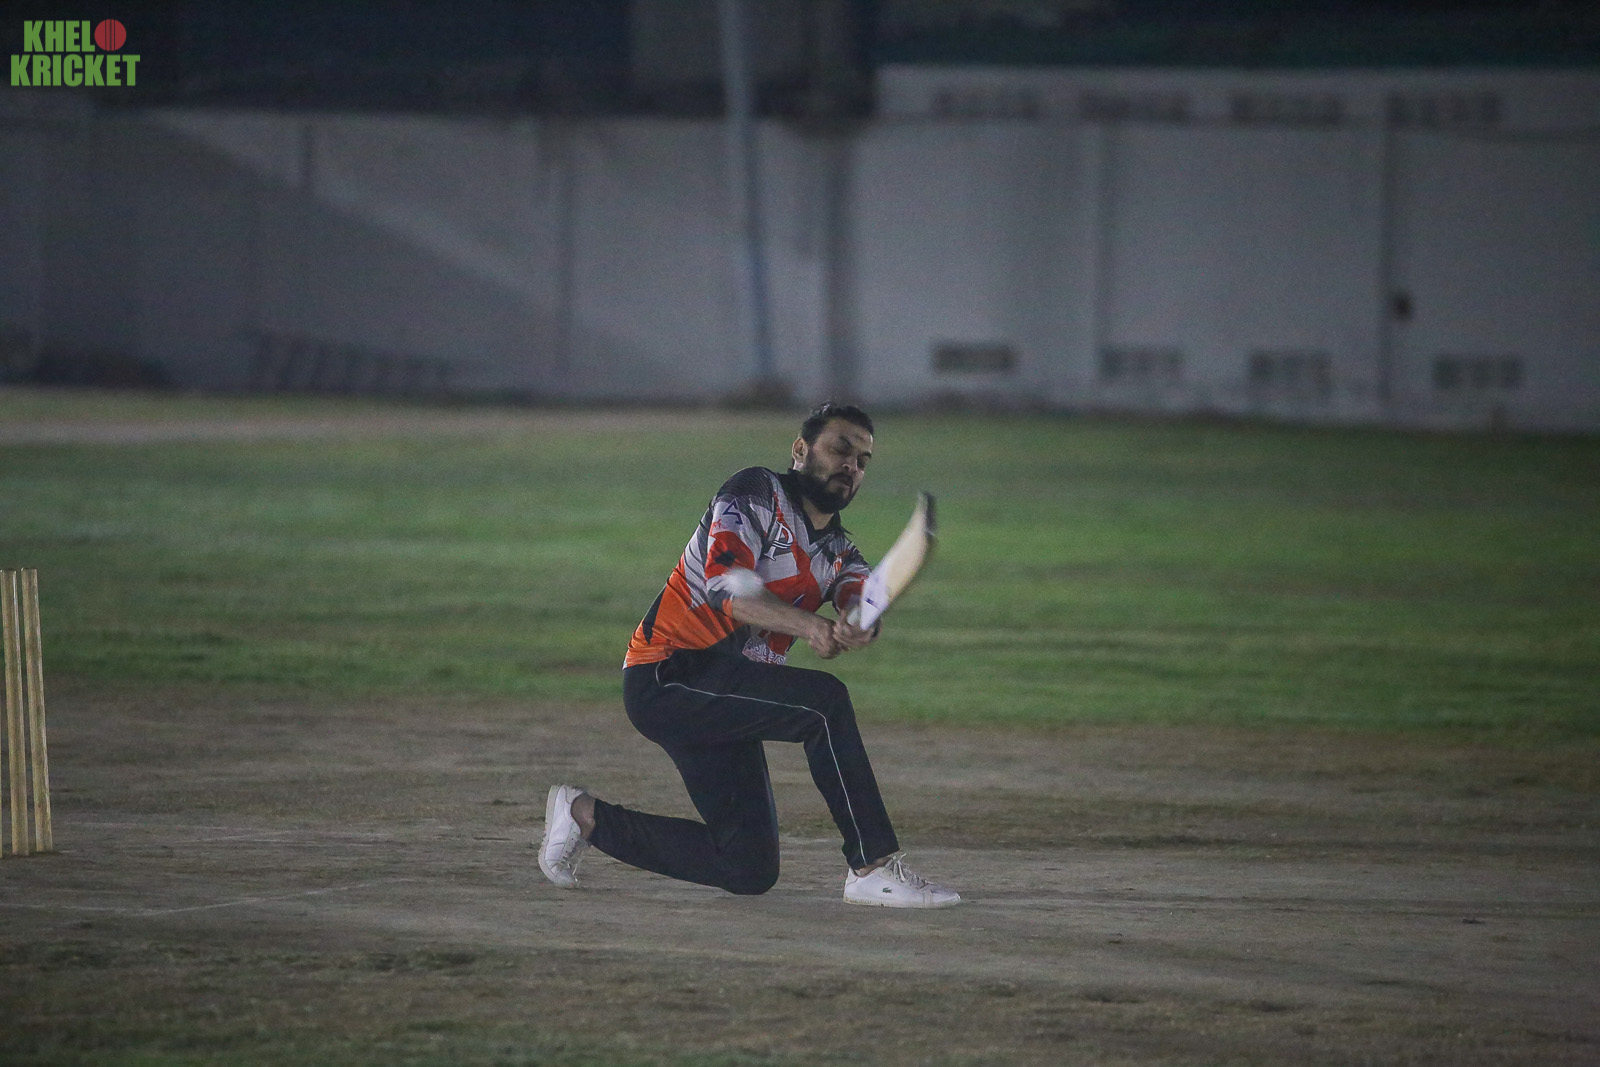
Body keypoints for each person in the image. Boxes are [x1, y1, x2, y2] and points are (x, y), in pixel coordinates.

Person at [538, 401, 960, 908]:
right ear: (800, 450)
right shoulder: (755, 493)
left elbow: (859, 596)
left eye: (863, 461)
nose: (851, 466)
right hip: (669, 675)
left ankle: (584, 817)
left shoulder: (840, 552)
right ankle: (871, 867)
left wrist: (858, 625)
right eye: (840, 449)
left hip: (723, 693)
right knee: (824, 705)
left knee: (748, 867)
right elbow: (727, 591)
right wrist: (812, 626)